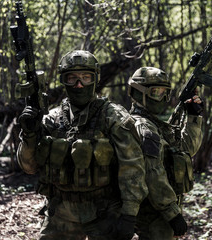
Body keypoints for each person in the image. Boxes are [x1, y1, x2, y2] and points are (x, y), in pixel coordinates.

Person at [16, 50, 148, 240]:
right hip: (61, 212)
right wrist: (29, 134)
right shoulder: (52, 119)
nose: (79, 84)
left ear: (95, 80)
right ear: (63, 80)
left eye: (86, 77)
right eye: (72, 78)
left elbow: (133, 167)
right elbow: (29, 167)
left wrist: (129, 214)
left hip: (104, 212)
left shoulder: (113, 117)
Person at [127, 67, 204, 240]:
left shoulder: (154, 125)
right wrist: (172, 213)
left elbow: (186, 149)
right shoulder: (143, 128)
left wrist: (193, 117)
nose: (162, 98)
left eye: (165, 92)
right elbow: (153, 173)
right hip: (153, 212)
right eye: (156, 92)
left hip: (160, 210)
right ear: (138, 93)